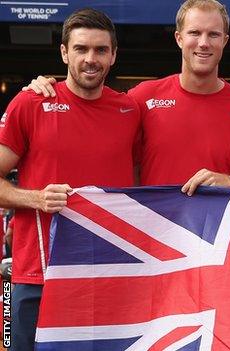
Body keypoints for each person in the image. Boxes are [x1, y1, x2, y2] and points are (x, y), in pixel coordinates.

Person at [0, 8, 140, 350]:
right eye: (81, 49)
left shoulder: (130, 111)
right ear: (64, 52)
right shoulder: (31, 103)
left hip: (110, 276)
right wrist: (35, 198)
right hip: (40, 276)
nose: (90, 59)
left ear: (113, 55)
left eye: (100, 50)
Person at [25, 0, 230, 193]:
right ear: (179, 38)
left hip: (215, 248)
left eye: (213, 34)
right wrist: (51, 89)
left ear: (224, 41)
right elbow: (89, 110)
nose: (203, 43)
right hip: (152, 245)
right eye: (195, 33)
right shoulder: (141, 99)